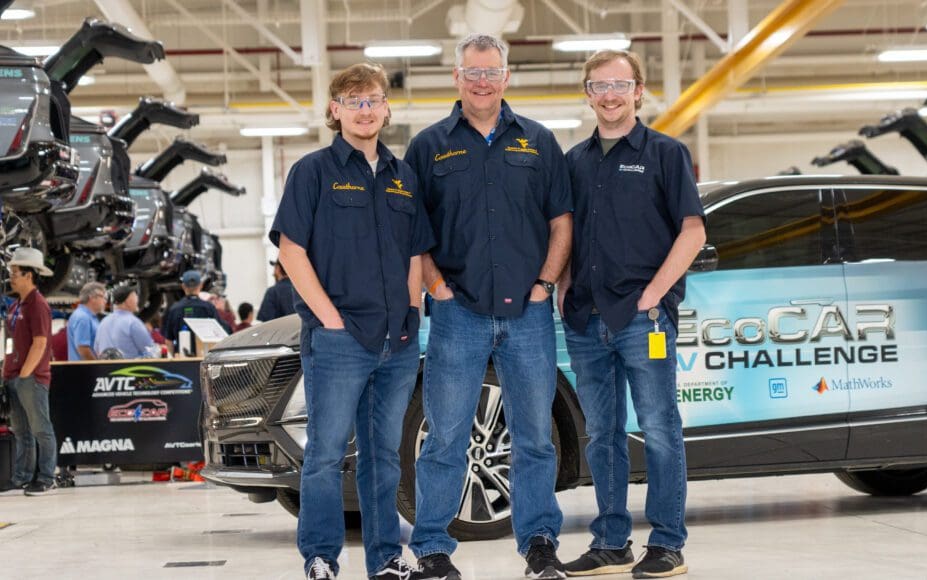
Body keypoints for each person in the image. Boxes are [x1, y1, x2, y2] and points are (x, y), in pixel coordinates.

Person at [406, 33, 572, 580]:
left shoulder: (539, 142)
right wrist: (435, 284)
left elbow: (560, 222)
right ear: (456, 77)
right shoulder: (429, 146)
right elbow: (413, 228)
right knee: (446, 435)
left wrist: (545, 283)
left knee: (534, 436)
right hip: (459, 313)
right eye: (472, 72)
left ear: (506, 76)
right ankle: (431, 545)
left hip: (528, 313)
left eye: (491, 72)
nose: (482, 81)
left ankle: (540, 543)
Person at [270, 62, 434, 580]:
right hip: (339, 340)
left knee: (383, 457)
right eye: (354, 101)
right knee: (323, 454)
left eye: (374, 101)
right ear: (335, 110)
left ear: (386, 109)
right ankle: (320, 556)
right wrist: (329, 319)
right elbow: (292, 252)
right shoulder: (312, 172)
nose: (366, 111)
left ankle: (385, 558)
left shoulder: (404, 176)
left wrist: (412, 313)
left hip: (398, 339)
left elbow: (414, 255)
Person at [557, 50, 706, 579]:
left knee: (661, 428)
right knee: (603, 435)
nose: (610, 94)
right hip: (585, 321)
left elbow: (693, 231)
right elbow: (567, 232)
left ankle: (666, 543)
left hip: (645, 320)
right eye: (599, 85)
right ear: (588, 93)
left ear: (638, 90)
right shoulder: (573, 161)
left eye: (620, 83)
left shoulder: (666, 154)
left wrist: (653, 296)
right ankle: (611, 542)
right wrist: (564, 285)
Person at [0, 247, 59, 496]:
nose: (11, 277)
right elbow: (10, 342)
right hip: (13, 376)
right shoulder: (16, 306)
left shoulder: (38, 305)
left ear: (29, 275)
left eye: (15, 272)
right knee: (21, 431)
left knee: (40, 428)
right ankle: (21, 477)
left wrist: (25, 374)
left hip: (31, 378)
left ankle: (46, 477)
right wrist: (6, 373)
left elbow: (41, 342)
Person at [161, 270, 228, 355]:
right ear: (201, 285)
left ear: (183, 286)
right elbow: (219, 335)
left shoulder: (174, 309)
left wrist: (173, 357)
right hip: (204, 357)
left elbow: (168, 341)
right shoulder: (209, 308)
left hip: (181, 360)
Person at [94, 286, 156, 359]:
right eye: (135, 296)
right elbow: (150, 351)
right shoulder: (133, 323)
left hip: (106, 369)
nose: (137, 300)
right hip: (130, 369)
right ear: (128, 301)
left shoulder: (103, 322)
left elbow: (97, 350)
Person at [66, 282, 107, 360]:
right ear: (91, 297)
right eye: (103, 297)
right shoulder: (83, 317)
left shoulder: (88, 316)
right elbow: (83, 349)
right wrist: (98, 366)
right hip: (86, 370)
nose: (105, 301)